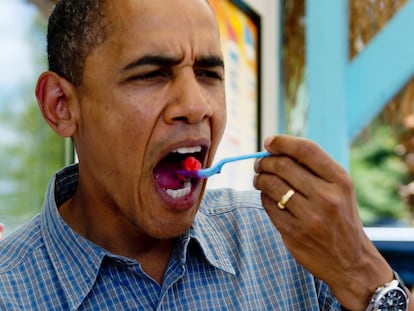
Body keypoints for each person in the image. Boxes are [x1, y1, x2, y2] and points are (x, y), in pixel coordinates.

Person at [0, 0, 412, 310]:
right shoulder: (10, 289)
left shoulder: (289, 241)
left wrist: (363, 272)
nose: (197, 106)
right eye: (152, 74)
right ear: (61, 106)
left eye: (208, 74)